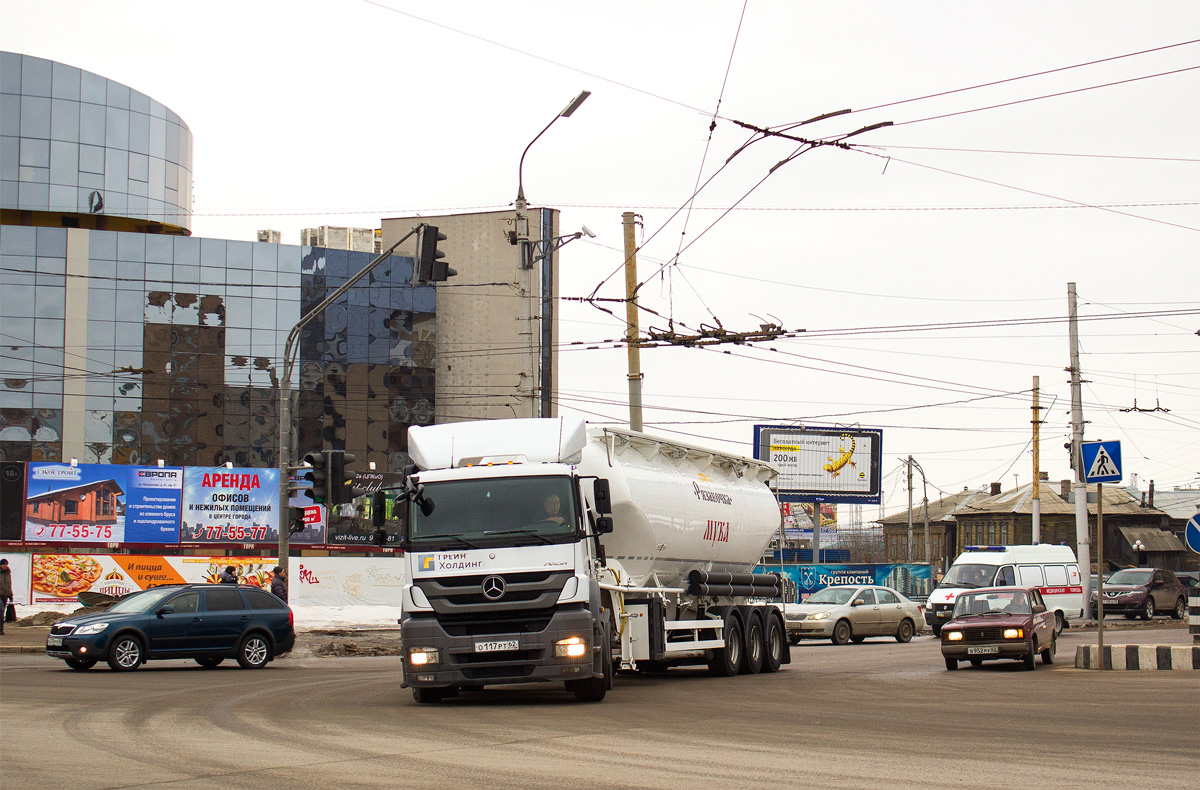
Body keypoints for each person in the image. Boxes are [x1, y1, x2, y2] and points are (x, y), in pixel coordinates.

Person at [0, 558, 12, 635]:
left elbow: (9, 585)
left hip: (5, 595)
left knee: (2, 613)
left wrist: (11, 594)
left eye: (6, 564)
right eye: (3, 564)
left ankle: (1, 629)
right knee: (0, 611)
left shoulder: (7, 573)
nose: (5, 566)